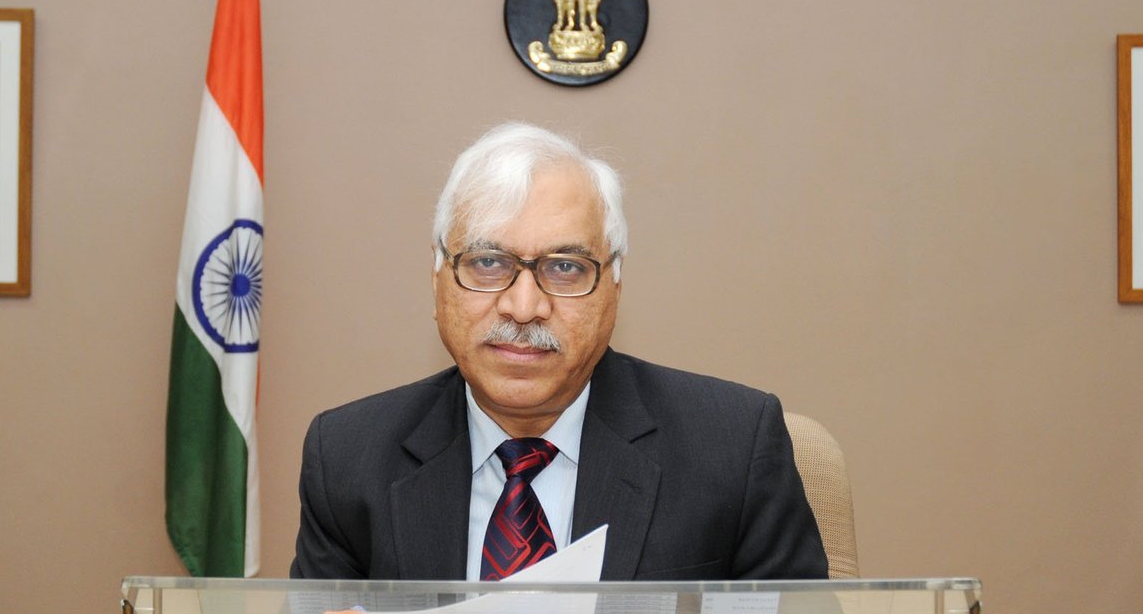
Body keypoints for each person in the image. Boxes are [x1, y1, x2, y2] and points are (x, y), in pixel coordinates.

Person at [290, 121, 828, 582]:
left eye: (565, 268)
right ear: (437, 279)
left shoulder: (734, 446)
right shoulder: (347, 458)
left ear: (614, 287)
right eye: (487, 262)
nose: (523, 308)